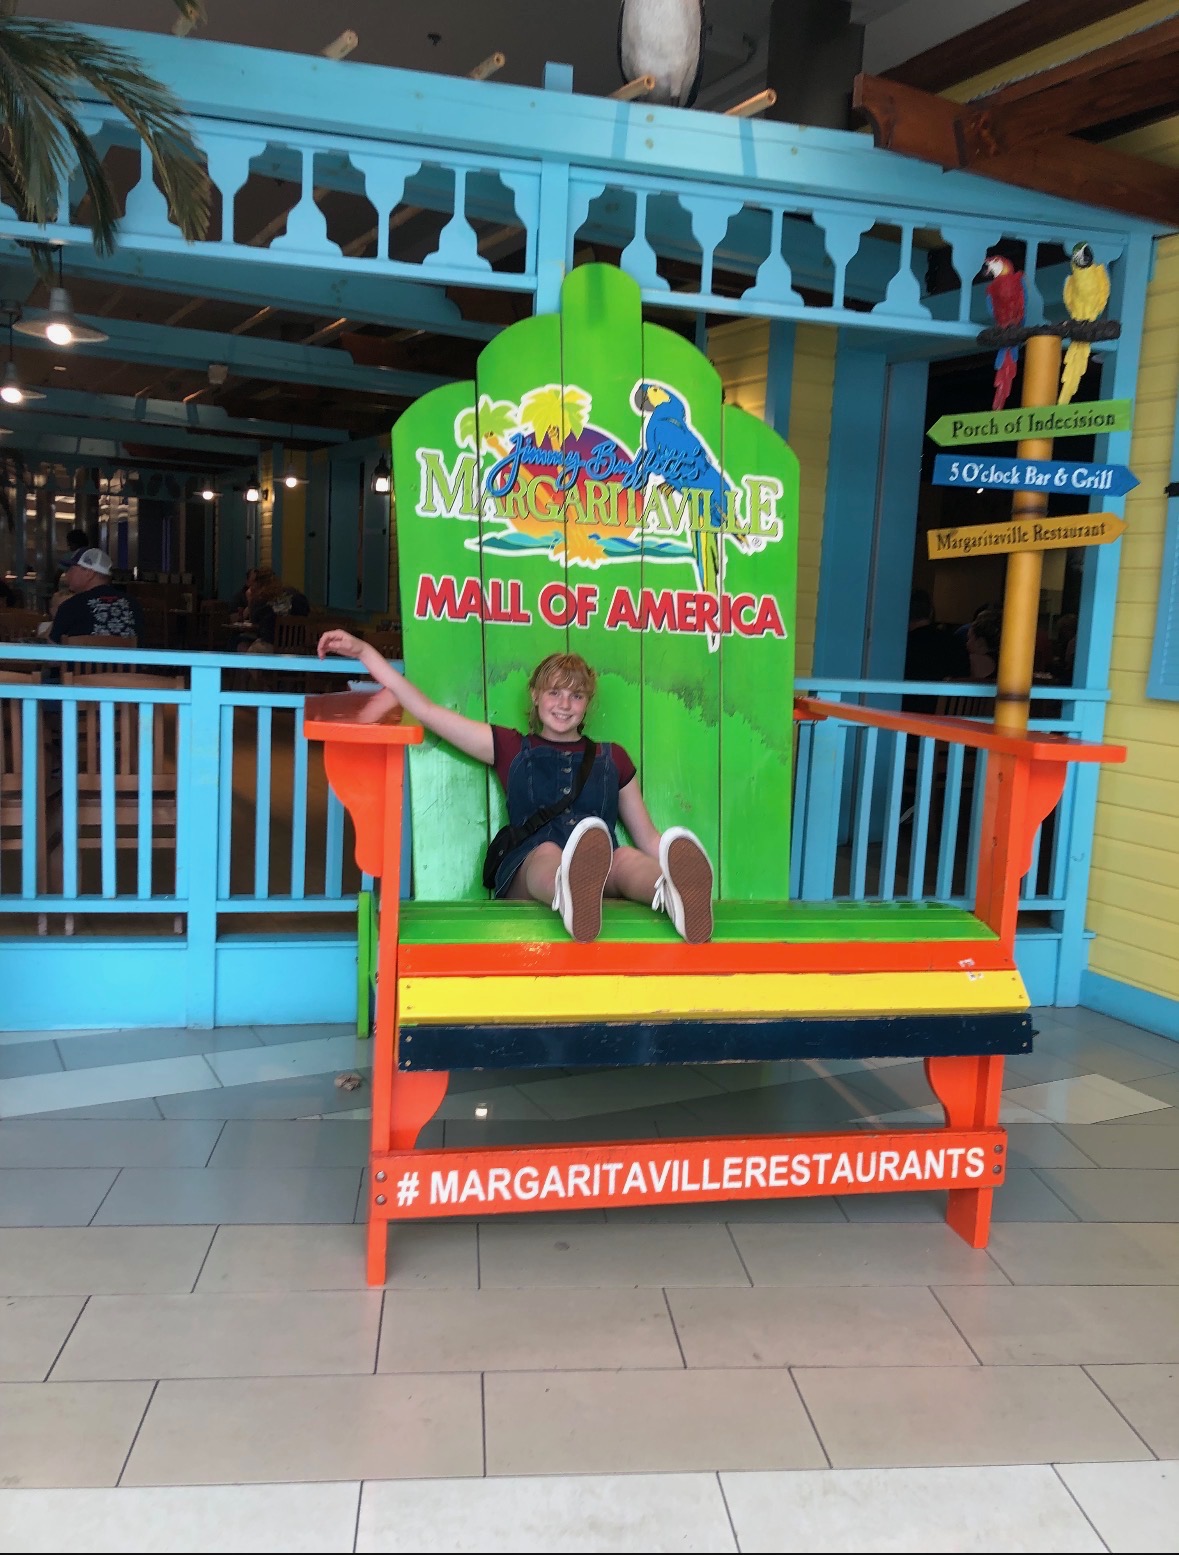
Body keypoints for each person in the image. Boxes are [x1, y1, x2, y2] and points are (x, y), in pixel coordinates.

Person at [317, 632, 714, 944]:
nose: (564, 703)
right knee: (548, 852)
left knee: (624, 856)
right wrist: (364, 652)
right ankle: (567, 891)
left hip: (599, 869)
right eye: (555, 692)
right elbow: (428, 712)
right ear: (536, 696)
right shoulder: (510, 747)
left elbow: (647, 836)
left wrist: (667, 859)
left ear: (587, 704)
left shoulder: (614, 758)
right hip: (530, 875)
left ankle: (673, 895)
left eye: (576, 695)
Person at [48, 548, 142, 643]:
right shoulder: (133, 605)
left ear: (89, 573)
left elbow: (52, 648)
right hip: (124, 658)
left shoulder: (70, 607)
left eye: (71, 569)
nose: (67, 574)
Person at [238, 569, 309, 650]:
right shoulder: (297, 596)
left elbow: (254, 621)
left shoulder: (261, 599)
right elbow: (306, 613)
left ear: (257, 584)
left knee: (244, 646)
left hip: (271, 644)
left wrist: (250, 600)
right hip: (298, 645)